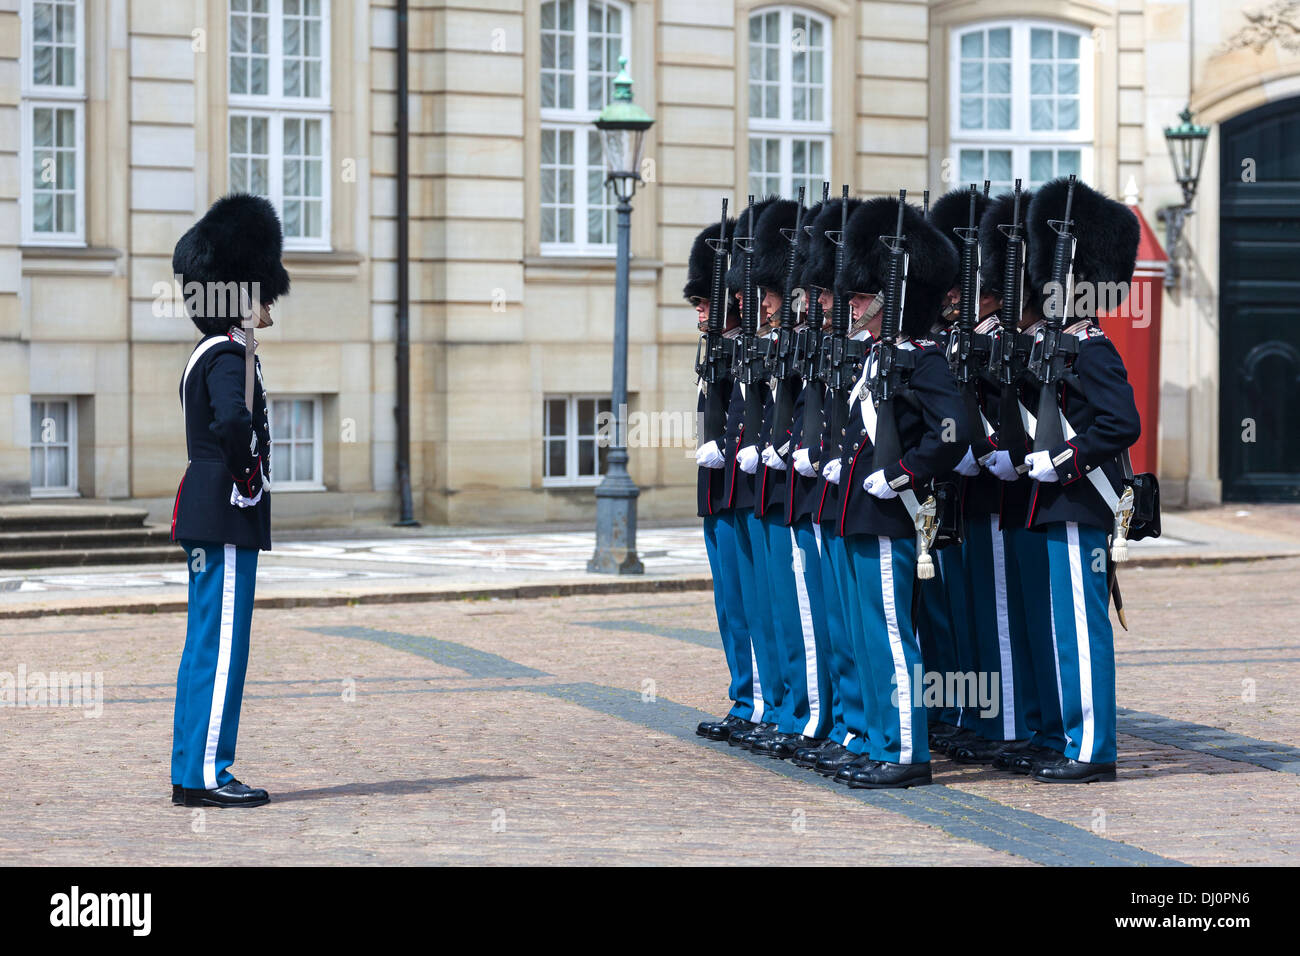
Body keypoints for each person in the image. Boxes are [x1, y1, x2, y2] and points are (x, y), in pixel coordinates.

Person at [833, 195, 965, 789]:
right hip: (861, 512)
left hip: (894, 513)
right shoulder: (874, 358)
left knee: (890, 631)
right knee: (866, 635)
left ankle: (907, 750)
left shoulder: (922, 360)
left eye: (862, 297)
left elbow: (955, 429)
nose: (852, 306)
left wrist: (906, 472)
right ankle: (883, 741)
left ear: (889, 299)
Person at [168, 193, 288, 808]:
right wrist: (247, 477)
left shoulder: (208, 352)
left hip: (206, 509)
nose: (269, 308)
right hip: (226, 511)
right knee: (222, 651)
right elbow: (233, 424)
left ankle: (191, 770)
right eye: (264, 294)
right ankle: (211, 774)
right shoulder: (228, 355)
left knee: (204, 644)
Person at [1020, 177, 1142, 783]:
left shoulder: (1093, 348)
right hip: (1055, 505)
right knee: (1057, 628)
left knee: (1081, 630)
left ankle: (1094, 748)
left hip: (1081, 504)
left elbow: (1124, 423)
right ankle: (1070, 735)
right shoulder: (1054, 343)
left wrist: (1067, 460)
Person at [688, 216, 764, 743]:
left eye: (706, 300)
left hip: (752, 491)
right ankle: (747, 696)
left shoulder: (757, 351)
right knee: (731, 604)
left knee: (762, 605)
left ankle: (769, 703)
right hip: (719, 492)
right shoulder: (716, 351)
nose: (698, 310)